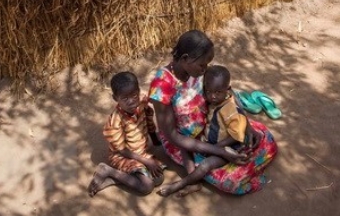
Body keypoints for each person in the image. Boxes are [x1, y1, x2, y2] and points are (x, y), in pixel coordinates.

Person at [149, 30, 278, 196]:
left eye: (206, 64)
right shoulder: (162, 87)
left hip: (213, 126)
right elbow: (174, 136)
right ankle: (192, 179)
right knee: (230, 182)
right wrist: (220, 151)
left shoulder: (197, 70)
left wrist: (247, 127)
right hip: (186, 143)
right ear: (185, 59)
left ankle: (214, 163)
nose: (205, 69)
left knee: (262, 137)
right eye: (202, 65)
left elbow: (228, 94)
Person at [157, 64, 262, 197]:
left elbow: (236, 136)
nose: (212, 96)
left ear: (227, 90)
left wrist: (217, 148)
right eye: (209, 91)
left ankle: (180, 184)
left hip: (230, 147)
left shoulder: (230, 110)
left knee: (205, 165)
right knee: (184, 142)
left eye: (218, 92)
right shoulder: (214, 100)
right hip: (210, 141)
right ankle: (193, 183)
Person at [88, 71, 165, 197]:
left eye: (135, 95)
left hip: (141, 151)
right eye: (125, 98)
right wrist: (146, 161)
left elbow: (149, 123)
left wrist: (156, 143)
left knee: (158, 179)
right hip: (123, 156)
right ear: (115, 98)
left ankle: (115, 179)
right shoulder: (115, 122)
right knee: (147, 186)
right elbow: (122, 151)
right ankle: (109, 170)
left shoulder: (142, 104)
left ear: (138, 91)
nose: (132, 101)